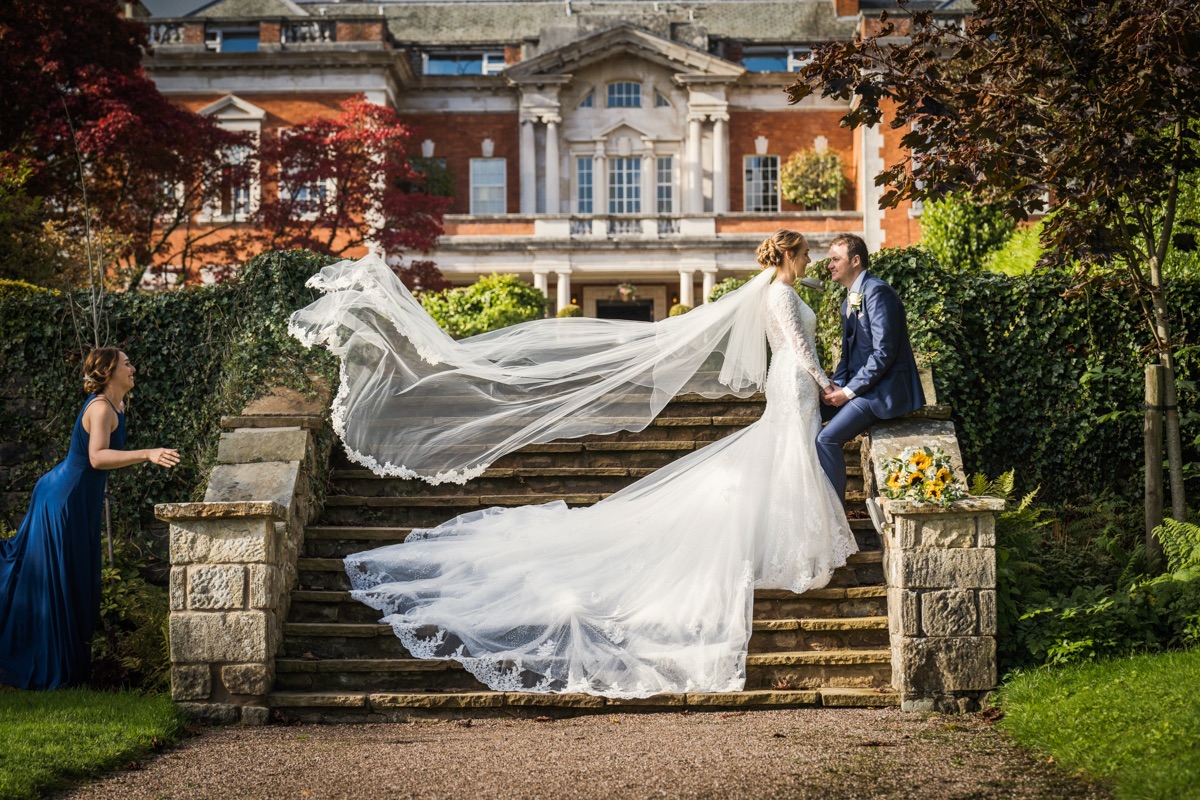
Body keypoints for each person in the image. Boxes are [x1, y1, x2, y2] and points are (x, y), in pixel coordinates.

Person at [290, 231, 854, 698]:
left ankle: (791, 540)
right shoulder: (779, 294)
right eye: (806, 254)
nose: (811, 261)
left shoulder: (777, 289)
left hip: (794, 387)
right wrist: (829, 385)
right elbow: (799, 349)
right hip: (798, 384)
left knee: (787, 455)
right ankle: (795, 543)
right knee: (784, 452)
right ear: (787, 255)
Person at [0, 348, 180, 690]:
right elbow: (97, 458)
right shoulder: (100, 408)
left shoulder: (117, 406)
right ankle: (50, 670)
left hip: (78, 499)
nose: (133, 367)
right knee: (60, 581)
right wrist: (148, 453)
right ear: (110, 370)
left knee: (75, 579)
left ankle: (67, 672)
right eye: (127, 363)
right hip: (63, 499)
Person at [818, 233, 925, 498]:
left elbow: (884, 353)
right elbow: (848, 356)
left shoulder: (877, 292)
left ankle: (835, 514)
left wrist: (848, 392)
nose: (829, 265)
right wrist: (834, 385)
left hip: (884, 390)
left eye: (835, 259)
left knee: (826, 439)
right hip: (864, 387)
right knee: (804, 414)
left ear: (855, 260)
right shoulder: (849, 300)